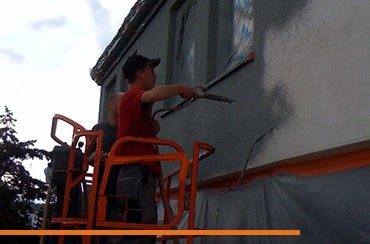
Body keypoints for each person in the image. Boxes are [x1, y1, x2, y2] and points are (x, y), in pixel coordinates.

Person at [115, 53, 198, 243]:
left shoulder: (138, 106)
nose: (156, 75)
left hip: (139, 175)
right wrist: (182, 88)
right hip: (135, 174)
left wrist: (151, 133)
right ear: (140, 74)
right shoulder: (131, 97)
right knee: (139, 234)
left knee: (142, 231)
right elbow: (153, 94)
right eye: (151, 71)